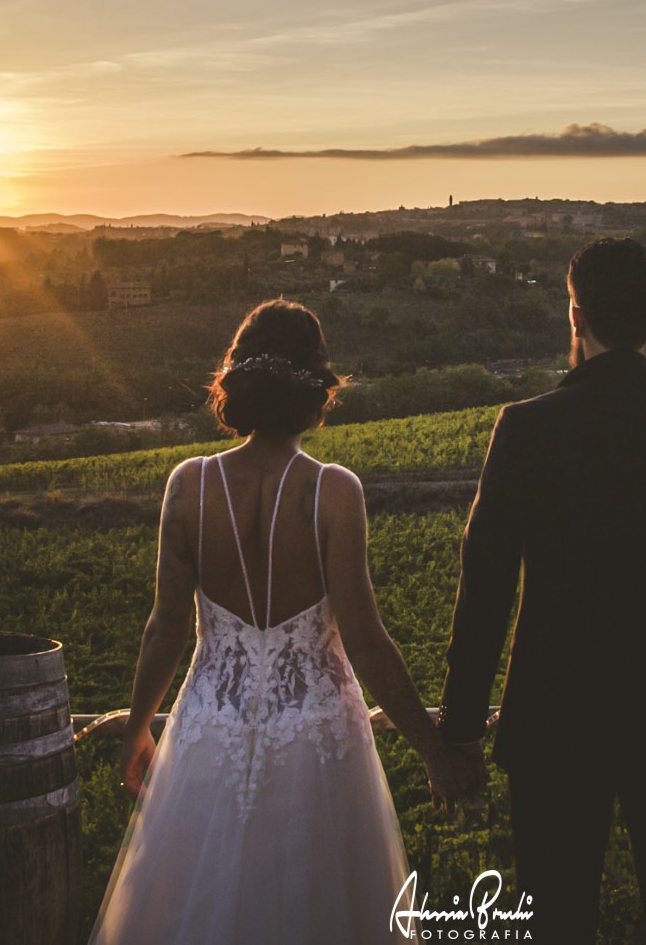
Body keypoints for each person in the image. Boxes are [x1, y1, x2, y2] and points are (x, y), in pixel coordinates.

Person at [92, 298, 481, 945]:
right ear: (317, 387)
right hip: (318, 742)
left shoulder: (187, 486)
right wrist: (434, 751)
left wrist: (137, 727)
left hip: (208, 738)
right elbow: (366, 640)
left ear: (235, 383)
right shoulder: (334, 492)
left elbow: (164, 629)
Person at [439, 238, 646, 944]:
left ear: (575, 316)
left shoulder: (525, 429)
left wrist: (460, 730)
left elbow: (485, 582)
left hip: (553, 721)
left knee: (555, 920)